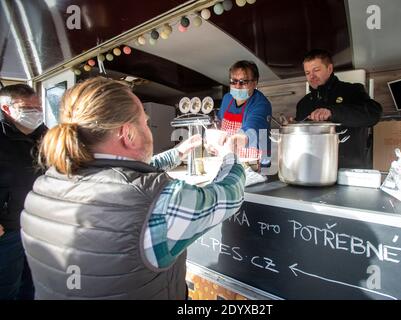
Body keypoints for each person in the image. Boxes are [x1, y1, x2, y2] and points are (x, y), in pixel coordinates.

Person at [20, 77, 245, 300]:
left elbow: (123, 176)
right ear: (128, 134)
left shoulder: (41, 188)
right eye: (145, 123)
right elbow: (228, 195)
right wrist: (230, 156)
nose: (148, 128)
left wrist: (177, 152)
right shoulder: (160, 201)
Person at [294, 49, 382, 168]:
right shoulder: (303, 103)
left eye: (316, 70)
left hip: (348, 170)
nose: (312, 76)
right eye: (307, 73)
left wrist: (333, 112)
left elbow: (374, 113)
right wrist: (294, 125)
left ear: (329, 69)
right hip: (314, 170)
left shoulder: (352, 91)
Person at [0, 84, 46, 300]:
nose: (35, 113)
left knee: (34, 282)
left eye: (38, 107)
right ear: (6, 109)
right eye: (28, 108)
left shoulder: (44, 135)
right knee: (7, 285)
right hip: (7, 229)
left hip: (37, 224)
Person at [217, 60, 272, 167]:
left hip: (256, 166)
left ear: (255, 83)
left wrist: (238, 139)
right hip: (230, 163)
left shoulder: (261, 103)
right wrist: (213, 140)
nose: (237, 86)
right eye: (233, 81)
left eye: (243, 82)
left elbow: (252, 129)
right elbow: (219, 124)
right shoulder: (227, 99)